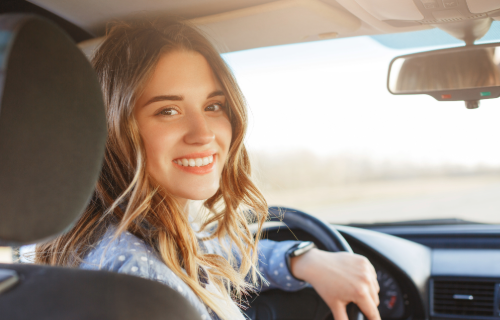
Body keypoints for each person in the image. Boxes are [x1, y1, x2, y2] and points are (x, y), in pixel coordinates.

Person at [35, 18, 380, 320]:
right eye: (168, 110)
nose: (204, 134)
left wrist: (300, 259)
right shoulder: (144, 283)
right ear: (114, 129)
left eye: (213, 106)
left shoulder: (120, 234)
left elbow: (206, 250)